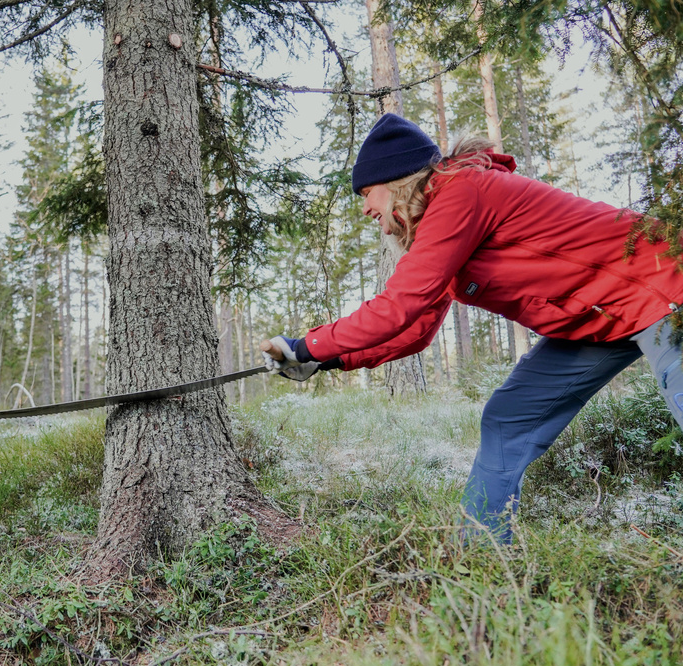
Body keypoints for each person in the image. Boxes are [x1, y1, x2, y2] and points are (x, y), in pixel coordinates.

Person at [263, 113, 683, 543]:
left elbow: (401, 305)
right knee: (510, 416)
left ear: (398, 180)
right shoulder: (444, 226)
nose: (366, 208)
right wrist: (327, 359)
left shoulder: (463, 193)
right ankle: (483, 557)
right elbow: (415, 330)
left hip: (665, 286)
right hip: (600, 318)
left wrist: (307, 345)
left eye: (368, 192)